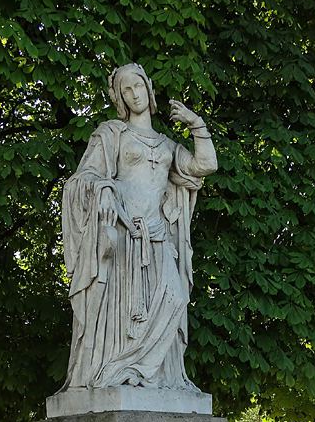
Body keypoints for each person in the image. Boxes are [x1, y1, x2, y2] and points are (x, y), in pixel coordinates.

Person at [59, 63, 217, 391]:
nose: (134, 94)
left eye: (138, 86)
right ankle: (122, 371)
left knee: (175, 298)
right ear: (120, 98)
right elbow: (82, 178)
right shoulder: (111, 134)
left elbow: (206, 165)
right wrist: (102, 189)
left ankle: (146, 372)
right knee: (124, 320)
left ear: (148, 88)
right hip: (123, 237)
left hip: (157, 238)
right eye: (126, 90)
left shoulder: (167, 146)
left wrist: (196, 124)